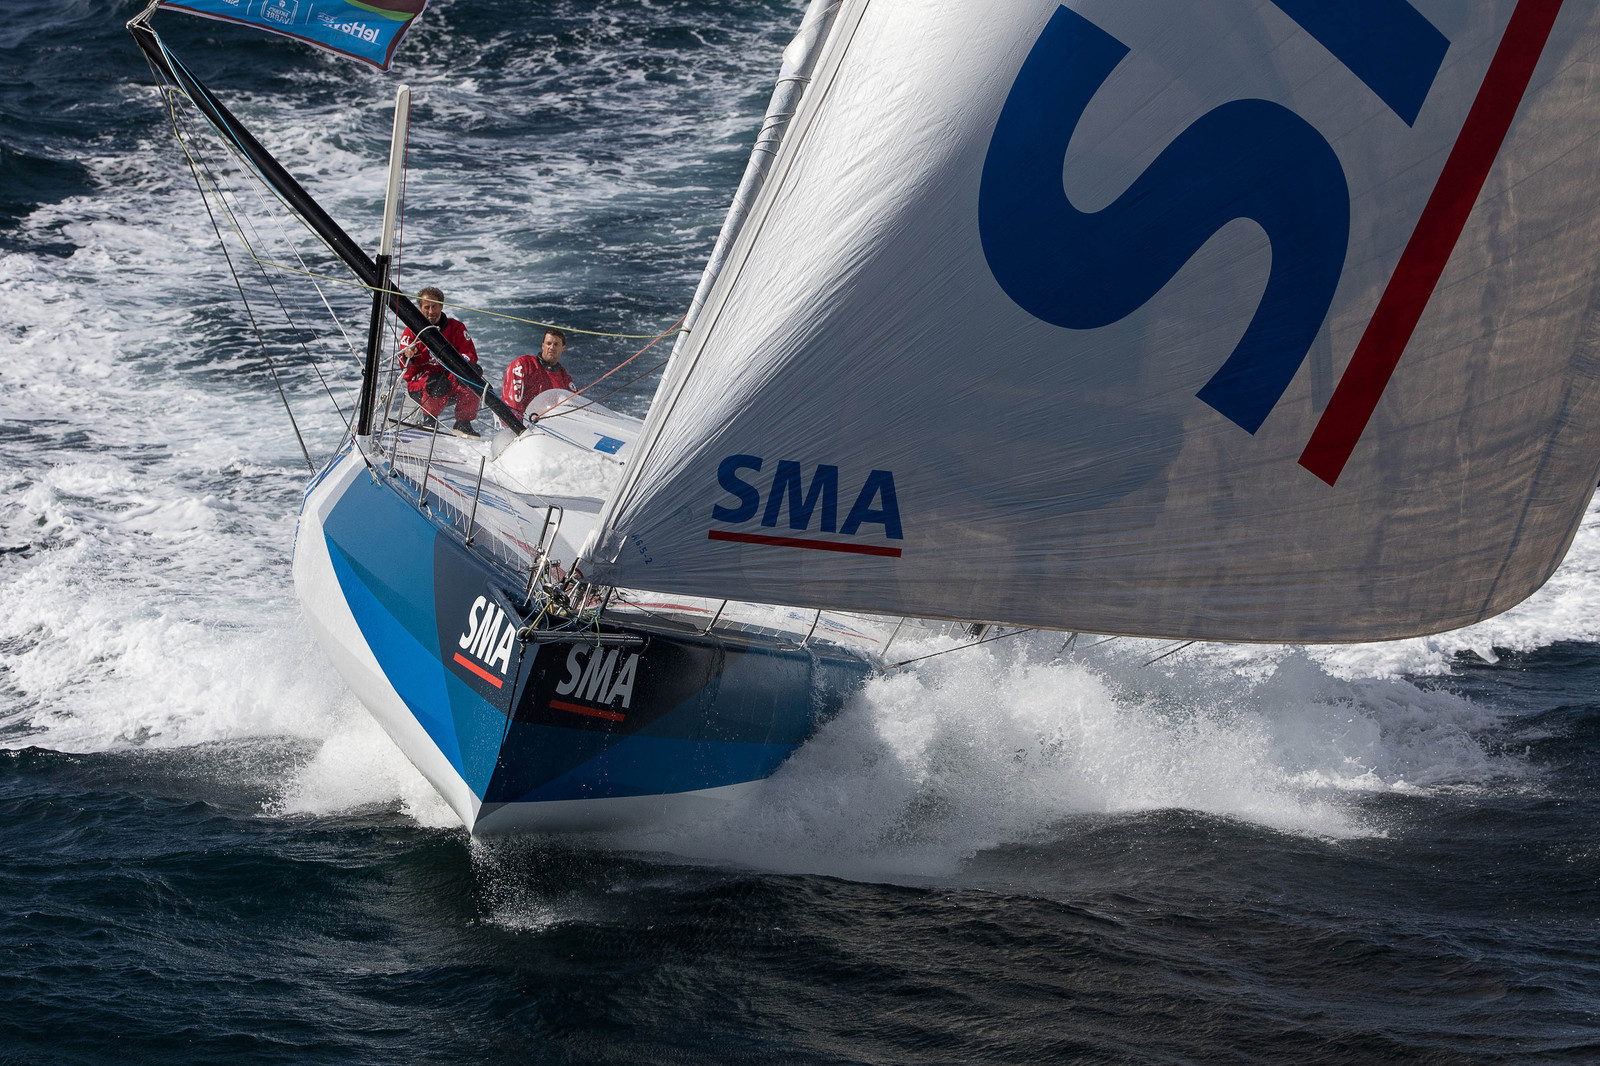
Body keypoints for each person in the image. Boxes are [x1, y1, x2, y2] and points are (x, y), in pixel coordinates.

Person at [398, 286, 482, 437]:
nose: (431, 311)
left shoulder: (456, 328)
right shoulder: (411, 330)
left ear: (441, 306)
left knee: (474, 373)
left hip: (450, 378)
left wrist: (456, 360)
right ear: (420, 307)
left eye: (434, 307)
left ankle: (463, 423)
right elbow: (405, 368)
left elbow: (470, 354)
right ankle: (429, 420)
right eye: (427, 307)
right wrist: (408, 356)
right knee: (437, 382)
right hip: (421, 383)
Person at [502, 328, 576, 418]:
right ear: (543, 346)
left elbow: (574, 406)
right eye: (548, 343)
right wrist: (521, 426)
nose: (551, 347)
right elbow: (512, 405)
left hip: (551, 427)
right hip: (524, 426)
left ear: (563, 348)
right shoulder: (523, 365)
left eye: (556, 344)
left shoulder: (564, 378)